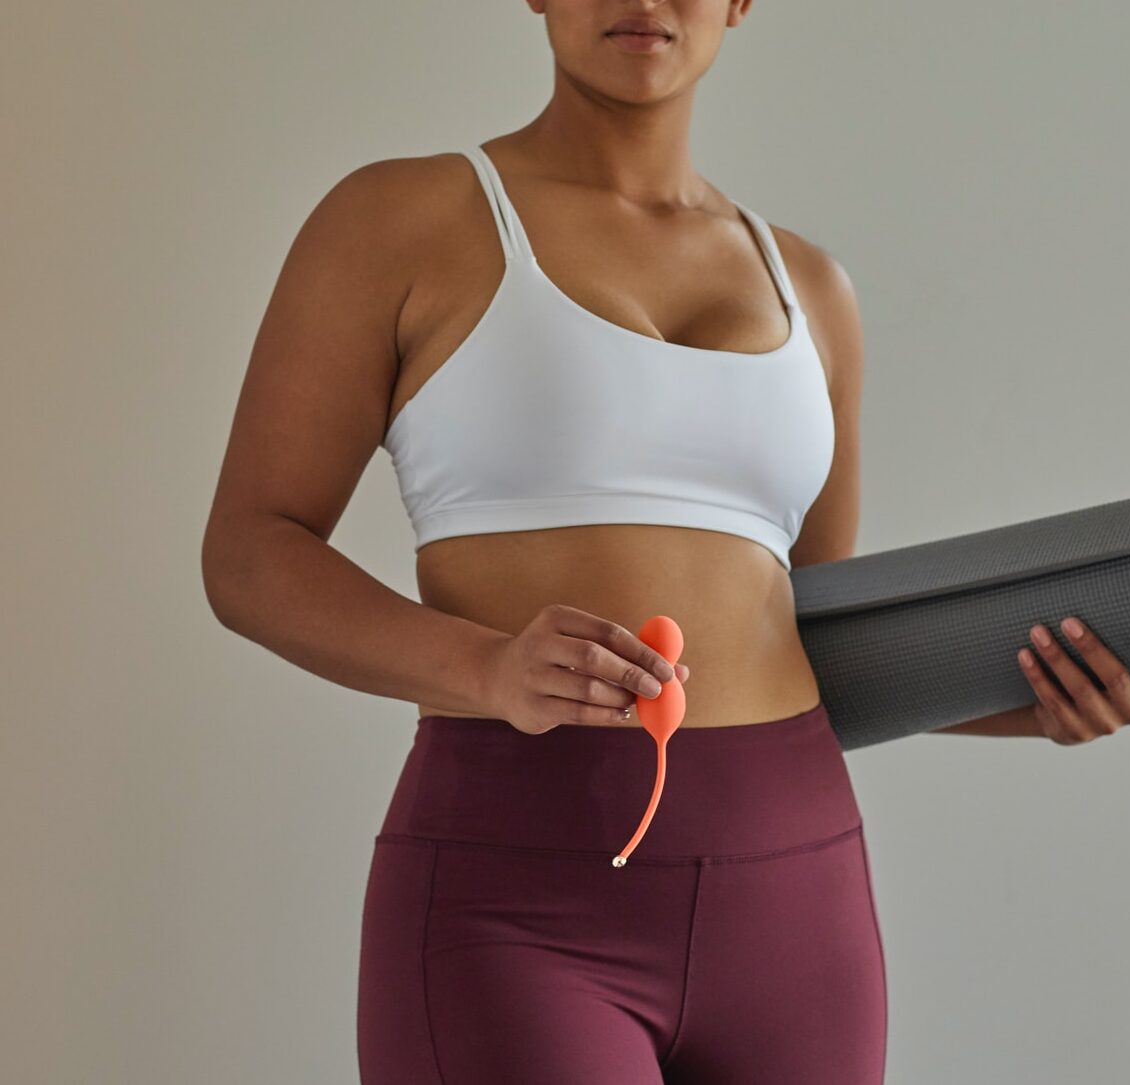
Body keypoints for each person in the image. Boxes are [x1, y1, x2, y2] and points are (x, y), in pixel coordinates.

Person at [201, 2, 882, 1083]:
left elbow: (830, 630)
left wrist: (1028, 692)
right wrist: (485, 667)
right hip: (517, 902)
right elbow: (249, 552)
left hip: (799, 898)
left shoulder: (814, 288)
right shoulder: (400, 220)